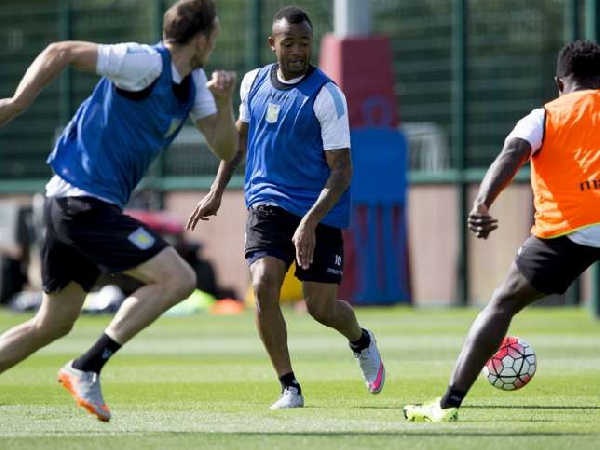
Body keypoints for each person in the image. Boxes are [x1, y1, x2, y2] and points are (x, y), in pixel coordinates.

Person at [0, 0, 236, 422]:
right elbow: (61, 50)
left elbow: (225, 149)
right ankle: (87, 365)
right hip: (79, 201)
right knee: (178, 277)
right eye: (215, 35)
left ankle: (84, 364)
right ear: (201, 39)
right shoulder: (144, 62)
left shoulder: (195, 84)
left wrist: (224, 103)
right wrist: (17, 103)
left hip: (75, 205)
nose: (215, 43)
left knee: (51, 324)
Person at [187, 5, 385, 410]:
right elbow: (237, 143)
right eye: (289, 42)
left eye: (305, 43)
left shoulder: (327, 96)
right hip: (267, 202)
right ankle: (289, 386)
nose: (298, 51)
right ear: (272, 43)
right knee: (262, 284)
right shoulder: (253, 84)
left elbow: (343, 170)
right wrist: (216, 190)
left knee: (321, 308)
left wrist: (310, 222)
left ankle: (361, 340)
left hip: (320, 208)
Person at [403, 39, 600, 422]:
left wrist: (482, 202)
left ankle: (448, 404)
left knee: (504, 303)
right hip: (572, 227)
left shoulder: (544, 115)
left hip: (569, 229)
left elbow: (512, 154)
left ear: (559, 83)